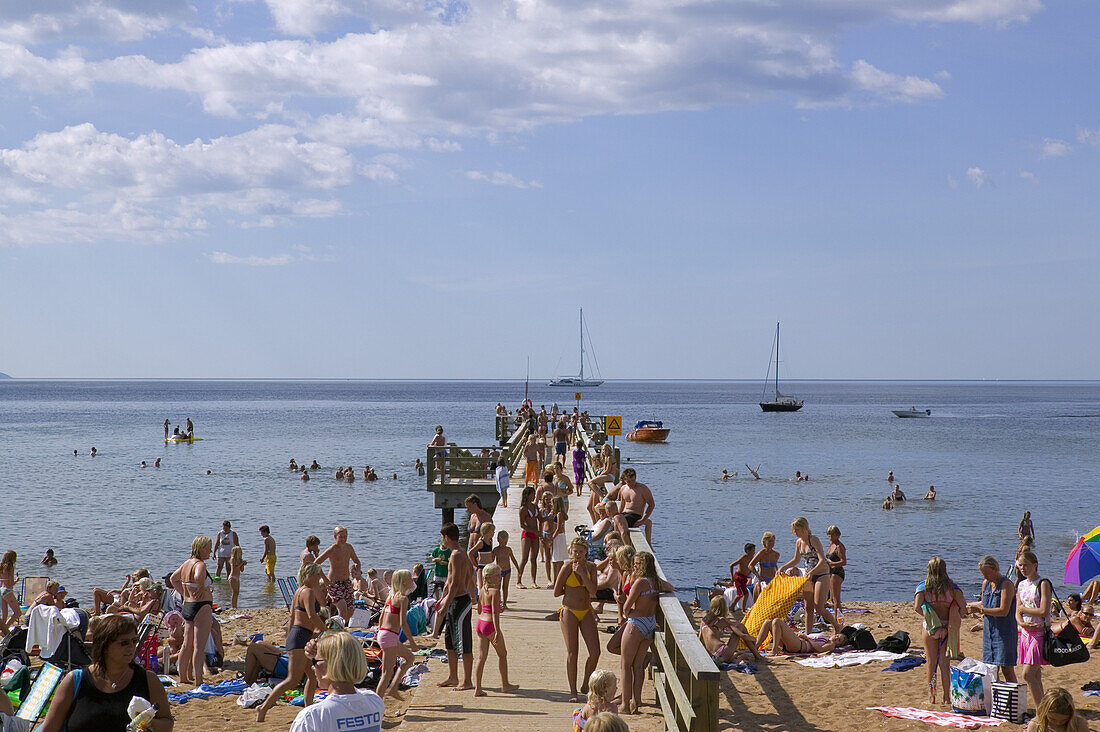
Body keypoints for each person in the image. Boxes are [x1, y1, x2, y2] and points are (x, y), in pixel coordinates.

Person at [39, 614, 173, 732]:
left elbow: (167, 723)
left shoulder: (148, 680)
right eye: (124, 643)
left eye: (134, 641)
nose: (131, 647)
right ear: (105, 646)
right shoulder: (75, 681)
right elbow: (49, 727)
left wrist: (150, 724)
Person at [256, 563, 327, 722]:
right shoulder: (307, 592)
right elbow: (312, 616)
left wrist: (289, 636)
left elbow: (292, 618)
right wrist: (326, 630)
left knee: (312, 676)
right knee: (293, 680)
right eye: (316, 575)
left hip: (298, 635)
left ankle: (308, 710)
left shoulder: (298, 591)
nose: (318, 578)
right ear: (309, 575)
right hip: (301, 636)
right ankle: (264, 707)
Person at [288, 631, 385, 732]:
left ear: (330, 665)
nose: (313, 667)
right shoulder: (375, 702)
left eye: (315, 662)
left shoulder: (312, 717)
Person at [620, 551, 673, 715]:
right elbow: (671, 587)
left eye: (637, 564)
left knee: (625, 665)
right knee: (638, 666)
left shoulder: (640, 583)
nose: (634, 567)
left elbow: (626, 607)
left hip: (636, 623)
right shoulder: (655, 582)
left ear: (644, 565)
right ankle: (637, 700)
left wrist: (627, 614)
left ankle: (625, 705)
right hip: (650, 623)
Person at [555, 537, 601, 702]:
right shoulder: (567, 566)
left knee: (595, 652)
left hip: (586, 610)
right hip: (569, 611)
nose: (578, 554)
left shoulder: (591, 567)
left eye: (581, 552)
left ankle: (585, 684)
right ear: (571, 551)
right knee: (572, 652)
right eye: (575, 551)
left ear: (586, 552)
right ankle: (573, 691)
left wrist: (582, 574)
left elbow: (593, 590)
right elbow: (556, 591)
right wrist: (571, 591)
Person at [915, 557, 965, 705]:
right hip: (947, 626)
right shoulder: (953, 588)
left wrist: (930, 615)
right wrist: (954, 615)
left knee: (931, 663)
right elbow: (963, 607)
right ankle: (947, 697)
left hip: (931, 627)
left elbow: (917, 607)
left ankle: (932, 696)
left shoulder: (922, 588)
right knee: (945, 663)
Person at [780, 517, 842, 636]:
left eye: (797, 530)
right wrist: (783, 567)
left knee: (819, 607)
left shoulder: (813, 540)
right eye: (794, 530)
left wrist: (812, 572)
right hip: (808, 575)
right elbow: (796, 559)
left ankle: (837, 626)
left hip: (821, 574)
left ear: (804, 528)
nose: (795, 532)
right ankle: (808, 634)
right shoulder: (799, 542)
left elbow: (822, 559)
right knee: (808, 606)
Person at [434, 522, 476, 691]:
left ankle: (467, 681)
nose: (441, 541)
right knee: (450, 641)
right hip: (453, 600)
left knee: (464, 642)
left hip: (460, 601)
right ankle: (453, 676)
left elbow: (455, 583)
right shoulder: (458, 553)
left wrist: (445, 605)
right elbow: (453, 580)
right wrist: (443, 599)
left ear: (446, 538)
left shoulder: (457, 555)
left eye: (442, 537)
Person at [170, 536, 215, 687]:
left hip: (188, 605)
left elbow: (173, 578)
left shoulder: (186, 563)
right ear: (201, 548)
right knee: (199, 646)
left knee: (186, 644)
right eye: (208, 548)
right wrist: (202, 586)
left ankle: (183, 677)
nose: (210, 550)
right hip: (202, 605)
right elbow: (198, 576)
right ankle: (199, 681)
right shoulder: (200, 564)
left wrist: (184, 592)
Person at [967, 555, 1018, 683]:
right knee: (990, 669)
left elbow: (1003, 611)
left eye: (987, 574)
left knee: (1007, 669)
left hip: (1004, 633)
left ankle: (1013, 698)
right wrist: (970, 606)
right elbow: (983, 604)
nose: (985, 578)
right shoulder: (986, 584)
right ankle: (996, 696)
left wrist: (980, 610)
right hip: (989, 632)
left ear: (996, 569)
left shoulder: (1006, 585)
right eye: (983, 574)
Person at [374, 569, 419, 700]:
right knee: (386, 674)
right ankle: (376, 703)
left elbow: (382, 616)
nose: (412, 580)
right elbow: (403, 624)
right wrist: (412, 642)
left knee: (409, 658)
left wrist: (379, 633)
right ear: (404, 581)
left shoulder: (391, 596)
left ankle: (393, 688)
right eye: (410, 578)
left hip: (384, 633)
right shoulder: (403, 599)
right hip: (389, 636)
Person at [474, 563, 517, 697]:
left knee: (481, 657)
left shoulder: (482, 589)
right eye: (497, 575)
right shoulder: (496, 591)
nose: (500, 577)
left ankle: (478, 688)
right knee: (503, 654)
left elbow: (480, 609)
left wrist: (496, 609)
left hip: (480, 624)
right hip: (490, 625)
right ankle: (505, 684)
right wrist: (497, 630)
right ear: (490, 577)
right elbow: (495, 613)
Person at [1016, 550, 1051, 710]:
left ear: (1035, 565)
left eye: (1026, 565)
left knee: (1028, 674)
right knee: (1036, 675)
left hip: (1039, 632)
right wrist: (1021, 622)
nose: (1023, 568)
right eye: (1020, 565)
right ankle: (1043, 709)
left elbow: (1044, 610)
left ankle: (1041, 712)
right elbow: (1018, 610)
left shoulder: (1043, 583)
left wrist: (1024, 610)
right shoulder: (1021, 584)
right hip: (1025, 633)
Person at [315, 526, 362, 624]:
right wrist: (325, 579)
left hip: (346, 582)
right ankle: (338, 630)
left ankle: (337, 626)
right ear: (335, 537)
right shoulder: (333, 549)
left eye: (345, 536)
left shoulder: (349, 547)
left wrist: (358, 570)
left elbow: (356, 561)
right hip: (334, 583)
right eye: (341, 537)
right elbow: (316, 563)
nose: (343, 539)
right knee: (342, 608)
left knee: (351, 610)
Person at [698, 596, 762, 664]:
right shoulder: (721, 620)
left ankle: (738, 659)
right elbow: (741, 635)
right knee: (740, 626)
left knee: (741, 654)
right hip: (722, 652)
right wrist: (754, 639)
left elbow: (700, 639)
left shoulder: (703, 621)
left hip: (712, 655)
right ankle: (757, 656)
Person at [608, 468, 655, 544]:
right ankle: (616, 544)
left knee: (618, 521)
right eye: (629, 481)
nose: (631, 483)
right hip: (624, 515)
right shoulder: (623, 488)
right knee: (611, 524)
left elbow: (651, 504)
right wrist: (619, 514)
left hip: (635, 515)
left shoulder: (642, 488)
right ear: (624, 480)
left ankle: (626, 547)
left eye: (633, 480)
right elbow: (622, 505)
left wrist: (643, 520)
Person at [754, 617, 845, 656]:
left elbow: (820, 649)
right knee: (768, 622)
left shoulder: (831, 644)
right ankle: (755, 647)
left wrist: (807, 638)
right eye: (837, 636)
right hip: (797, 641)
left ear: (838, 644)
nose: (836, 638)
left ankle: (774, 650)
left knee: (777, 621)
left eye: (839, 640)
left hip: (799, 646)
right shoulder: (826, 637)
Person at [1024, 687, 1088, 732]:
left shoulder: (1079, 724)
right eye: (1052, 719)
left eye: (1064, 720)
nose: (1058, 723)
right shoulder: (1036, 725)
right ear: (1044, 712)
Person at [516, 487, 540, 589]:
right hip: (527, 534)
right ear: (527, 495)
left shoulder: (535, 507)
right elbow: (522, 525)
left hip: (535, 534)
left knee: (533, 558)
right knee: (524, 558)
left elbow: (540, 519)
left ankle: (533, 581)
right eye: (533, 494)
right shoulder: (523, 509)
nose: (534, 496)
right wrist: (533, 530)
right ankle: (518, 581)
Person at [492, 530, 520, 609]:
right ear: (498, 540)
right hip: (499, 571)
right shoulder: (496, 550)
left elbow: (513, 559)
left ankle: (504, 603)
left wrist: (518, 568)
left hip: (507, 570)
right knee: (498, 588)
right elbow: (491, 560)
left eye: (505, 542)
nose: (503, 545)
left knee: (505, 587)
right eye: (501, 542)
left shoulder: (508, 549)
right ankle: (498, 602)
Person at [725, 543, 756, 614]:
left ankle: (732, 607)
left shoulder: (752, 558)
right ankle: (743, 610)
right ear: (748, 551)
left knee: (740, 594)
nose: (754, 552)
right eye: (753, 550)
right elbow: (731, 565)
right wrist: (732, 578)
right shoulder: (743, 558)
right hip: (739, 577)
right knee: (745, 594)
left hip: (744, 577)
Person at [749, 532, 781, 598]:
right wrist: (758, 577)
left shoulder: (776, 554)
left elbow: (774, 566)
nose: (771, 543)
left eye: (773, 541)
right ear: (764, 541)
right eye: (769, 541)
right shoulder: (761, 553)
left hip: (773, 580)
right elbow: (750, 565)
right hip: (763, 579)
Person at [825, 526, 846, 621]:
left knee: (836, 599)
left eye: (832, 534)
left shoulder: (839, 546)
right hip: (830, 572)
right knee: (833, 598)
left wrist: (831, 563)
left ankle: (839, 620)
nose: (830, 536)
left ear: (837, 535)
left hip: (837, 572)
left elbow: (844, 562)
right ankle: (837, 618)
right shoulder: (831, 545)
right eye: (829, 534)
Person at [0, 551, 21, 632]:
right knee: (17, 613)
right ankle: (5, 629)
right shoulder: (10, 567)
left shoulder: (1, 566)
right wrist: (16, 580)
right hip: (7, 590)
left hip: (1, 590)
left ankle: (3, 630)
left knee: (4, 615)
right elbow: (11, 583)